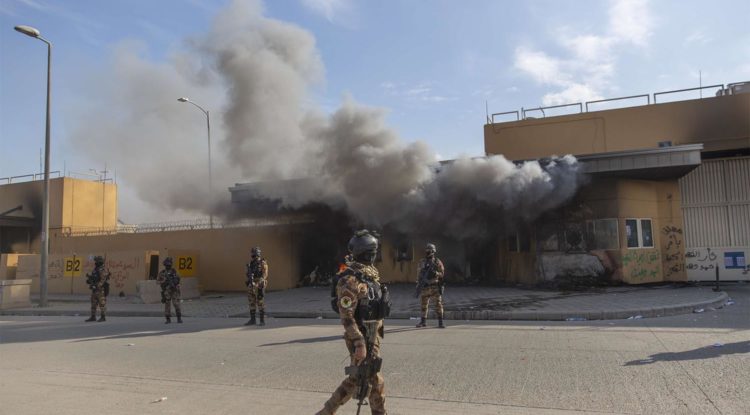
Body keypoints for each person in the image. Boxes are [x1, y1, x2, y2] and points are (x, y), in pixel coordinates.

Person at [316, 230, 390, 415]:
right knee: (369, 379)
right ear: (367, 253)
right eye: (373, 252)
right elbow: (347, 316)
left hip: (372, 335)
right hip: (360, 336)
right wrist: (359, 342)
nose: (374, 256)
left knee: (362, 379)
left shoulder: (370, 275)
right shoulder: (349, 280)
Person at [415, 243, 446, 328]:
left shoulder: (437, 261)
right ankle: (423, 322)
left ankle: (440, 322)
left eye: (429, 251)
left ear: (433, 251)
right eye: (427, 250)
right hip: (425, 286)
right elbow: (418, 273)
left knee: (438, 304)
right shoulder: (422, 261)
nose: (427, 252)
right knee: (423, 305)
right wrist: (418, 283)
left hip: (434, 286)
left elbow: (442, 273)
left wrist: (436, 273)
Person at [245, 247, 269, 326]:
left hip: (259, 284)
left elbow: (265, 275)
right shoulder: (251, 263)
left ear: (258, 254)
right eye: (253, 253)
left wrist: (259, 283)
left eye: (254, 253)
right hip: (252, 284)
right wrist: (249, 278)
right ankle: (253, 320)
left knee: (260, 301)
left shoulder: (263, 263)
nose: (253, 255)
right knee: (251, 301)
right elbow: (248, 274)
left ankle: (262, 321)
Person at [85, 255, 110, 322]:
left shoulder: (102, 269)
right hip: (95, 289)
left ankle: (103, 317)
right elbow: (94, 277)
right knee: (93, 303)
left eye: (96, 261)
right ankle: (93, 317)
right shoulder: (95, 269)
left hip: (101, 289)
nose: (95, 262)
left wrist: (97, 286)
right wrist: (89, 280)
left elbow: (103, 280)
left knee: (102, 304)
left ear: (99, 261)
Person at [157, 257, 182, 324]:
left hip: (174, 290)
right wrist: (164, 282)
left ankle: (179, 317)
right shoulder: (162, 273)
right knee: (167, 304)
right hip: (167, 291)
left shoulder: (174, 272)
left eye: (169, 265)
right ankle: (168, 319)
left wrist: (176, 283)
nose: (168, 266)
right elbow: (157, 281)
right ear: (165, 265)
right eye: (167, 265)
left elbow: (179, 279)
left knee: (176, 304)